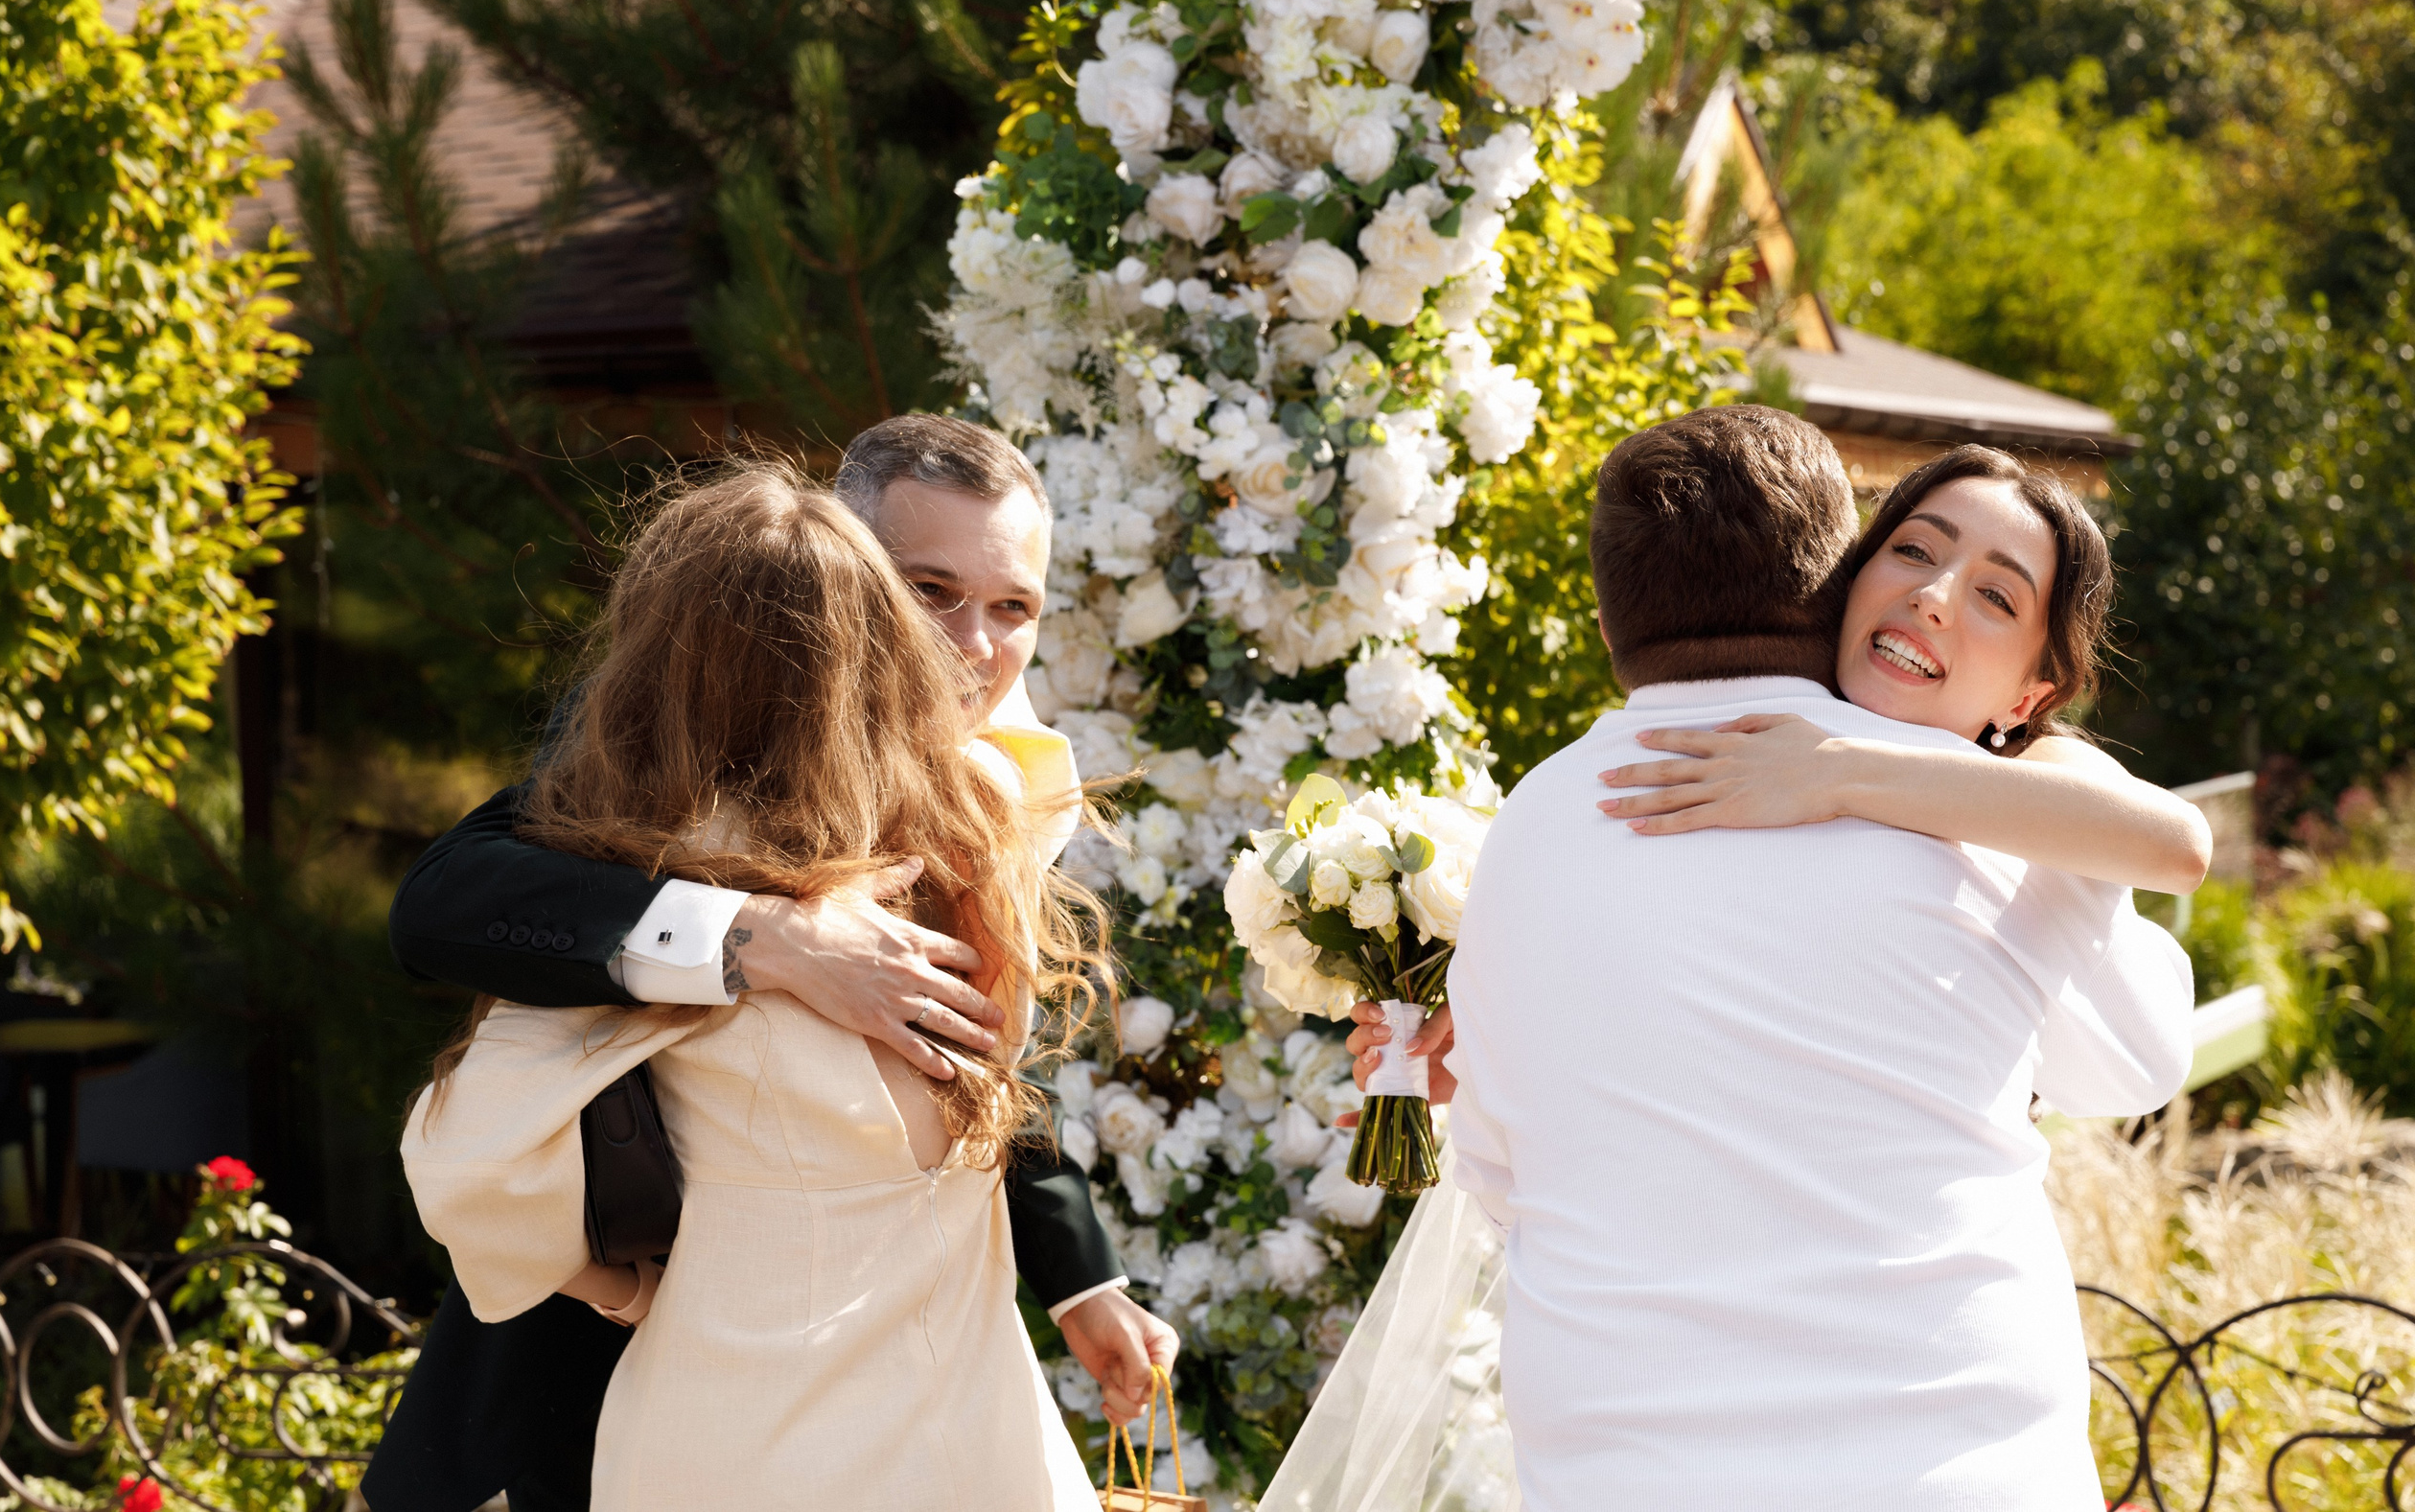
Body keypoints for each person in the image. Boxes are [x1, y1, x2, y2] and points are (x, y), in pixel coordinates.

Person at [1274, 412, 2195, 1511]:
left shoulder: (2022, 821)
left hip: (1757, 1452)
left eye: (1997, 596)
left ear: (2030, 699)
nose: (1936, 594)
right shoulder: (1694, 789)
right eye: (1912, 549)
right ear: (1839, 574)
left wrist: (1849, 773)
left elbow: (2150, 977)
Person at [365, 417, 1174, 1512]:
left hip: (944, 1405)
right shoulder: (672, 760)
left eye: (1012, 606)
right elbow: (447, 908)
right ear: (837, 581)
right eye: (929, 591)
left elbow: (972, 1057)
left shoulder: (1001, 785)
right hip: (637, 1386)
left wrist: (1078, 1275)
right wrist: (758, 938)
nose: (975, 646)